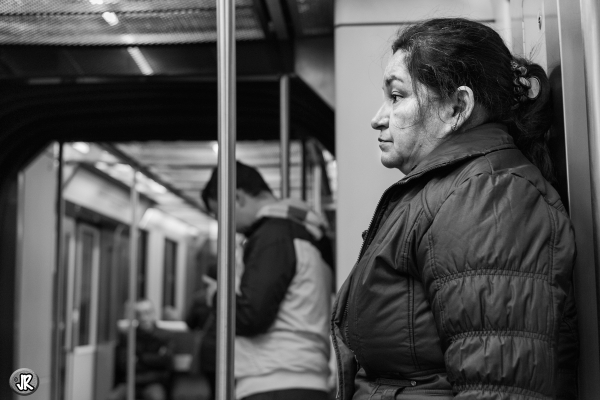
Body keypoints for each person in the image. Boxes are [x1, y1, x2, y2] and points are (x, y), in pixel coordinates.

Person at [332, 18, 579, 400]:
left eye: (397, 96)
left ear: (457, 107)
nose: (378, 118)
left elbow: (500, 389)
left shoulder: (489, 196)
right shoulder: (451, 190)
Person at [201, 161, 334, 400]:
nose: (224, 225)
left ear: (237, 197)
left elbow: (252, 315)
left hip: (273, 380)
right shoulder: (306, 233)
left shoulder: (272, 236)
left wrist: (216, 296)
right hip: (304, 375)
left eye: (220, 213)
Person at [109, 299, 173, 400]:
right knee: (113, 398)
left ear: (153, 314)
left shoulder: (165, 336)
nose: (143, 318)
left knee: (156, 397)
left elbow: (166, 361)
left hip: (154, 382)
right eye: (139, 314)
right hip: (131, 381)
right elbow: (124, 363)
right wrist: (154, 358)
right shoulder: (128, 337)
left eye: (147, 313)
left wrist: (140, 357)